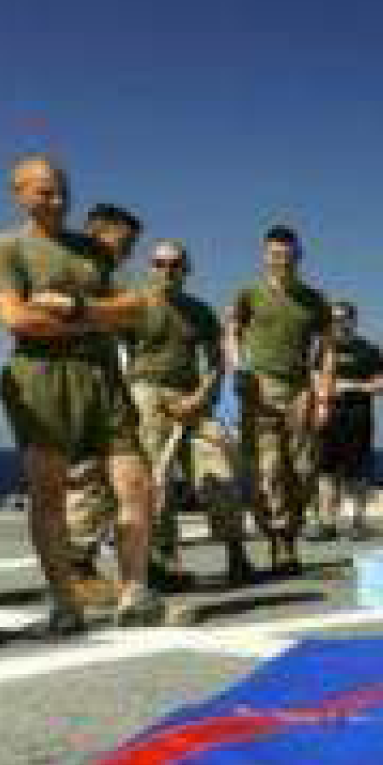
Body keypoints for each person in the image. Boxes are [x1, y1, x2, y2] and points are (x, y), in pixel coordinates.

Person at [0, 157, 166, 636]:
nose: (58, 200)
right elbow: (17, 319)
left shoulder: (93, 251)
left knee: (136, 485)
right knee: (49, 494)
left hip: (103, 377)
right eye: (45, 192)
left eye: (63, 191)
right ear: (19, 194)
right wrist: (96, 320)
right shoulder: (5, 247)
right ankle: (65, 601)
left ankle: (135, 591)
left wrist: (74, 306)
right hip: (42, 378)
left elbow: (137, 308)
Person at [122, 239, 256, 588]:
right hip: (147, 394)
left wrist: (200, 397)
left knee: (219, 470)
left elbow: (216, 362)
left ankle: (236, 553)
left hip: (193, 396)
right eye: (160, 263)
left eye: (175, 264)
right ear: (150, 267)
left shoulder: (200, 311)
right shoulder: (134, 304)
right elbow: (119, 355)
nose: (167, 270)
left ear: (186, 269)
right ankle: (163, 560)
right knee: (156, 479)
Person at [228, 225, 333, 574]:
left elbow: (326, 349)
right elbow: (231, 334)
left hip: (300, 389)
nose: (282, 261)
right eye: (275, 255)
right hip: (260, 388)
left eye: (288, 255)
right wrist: (238, 369)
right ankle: (279, 541)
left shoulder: (314, 299)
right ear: (265, 257)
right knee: (268, 469)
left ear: (299, 256)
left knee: (303, 469)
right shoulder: (248, 295)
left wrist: (323, 397)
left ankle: (290, 532)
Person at [61, 205, 146, 603]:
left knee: (122, 480)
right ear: (96, 232)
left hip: (109, 383)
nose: (128, 252)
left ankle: (94, 567)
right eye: (123, 243)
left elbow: (130, 325)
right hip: (75, 380)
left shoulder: (110, 278)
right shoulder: (70, 271)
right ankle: (76, 570)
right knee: (84, 475)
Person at [311, 301, 383, 542]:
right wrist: (322, 390)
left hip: (358, 418)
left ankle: (357, 523)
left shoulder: (369, 350)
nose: (338, 323)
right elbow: (313, 378)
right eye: (334, 319)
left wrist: (351, 386)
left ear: (353, 321)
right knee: (325, 472)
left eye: (343, 318)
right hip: (327, 417)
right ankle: (327, 524)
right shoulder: (322, 349)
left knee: (357, 473)